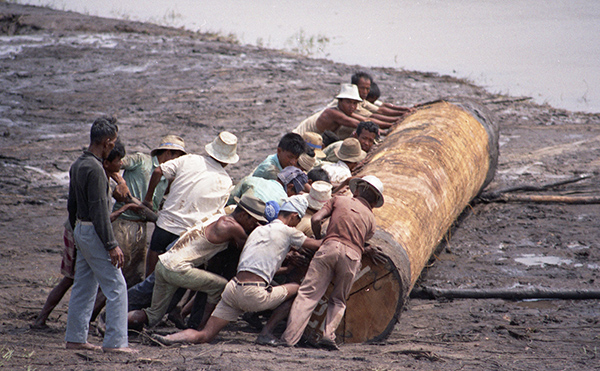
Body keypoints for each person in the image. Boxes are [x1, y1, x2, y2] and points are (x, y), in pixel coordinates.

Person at [150, 195, 322, 346]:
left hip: (233, 290)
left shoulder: (258, 231)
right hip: (253, 294)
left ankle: (170, 338)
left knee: (205, 335)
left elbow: (259, 269)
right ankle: (266, 333)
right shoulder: (289, 231)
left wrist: (286, 267)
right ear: (294, 216)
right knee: (298, 289)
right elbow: (318, 245)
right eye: (298, 220)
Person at [127, 194, 267, 330]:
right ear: (243, 215)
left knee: (154, 314)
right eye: (253, 221)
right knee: (220, 286)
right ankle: (201, 327)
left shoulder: (220, 216)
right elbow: (249, 246)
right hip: (177, 269)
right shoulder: (232, 227)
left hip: (165, 263)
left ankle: (115, 320)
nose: (253, 225)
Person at [281, 175, 386, 350]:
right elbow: (361, 241)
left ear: (357, 190)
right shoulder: (371, 220)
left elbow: (315, 219)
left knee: (308, 295)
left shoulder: (338, 200)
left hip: (328, 248)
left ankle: (289, 338)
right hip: (352, 256)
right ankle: (329, 335)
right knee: (338, 300)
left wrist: (319, 238)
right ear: (374, 202)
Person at [65, 117, 135, 353]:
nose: (114, 146)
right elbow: (99, 212)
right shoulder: (95, 169)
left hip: (81, 229)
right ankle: (116, 343)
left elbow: (71, 204)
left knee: (84, 285)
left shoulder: (78, 164)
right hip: (95, 232)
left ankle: (75, 338)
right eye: (113, 142)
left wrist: (75, 232)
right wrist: (111, 244)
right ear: (106, 143)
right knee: (116, 287)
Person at [143, 131, 239, 277]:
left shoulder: (190, 159)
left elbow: (158, 171)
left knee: (150, 272)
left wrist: (148, 199)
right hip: (185, 236)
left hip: (165, 225)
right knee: (169, 278)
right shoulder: (226, 182)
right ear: (228, 161)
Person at [112, 135, 186, 287]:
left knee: (135, 276)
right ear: (168, 153)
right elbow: (112, 164)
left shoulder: (167, 178)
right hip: (123, 223)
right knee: (117, 274)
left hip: (141, 228)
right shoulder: (140, 160)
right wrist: (121, 182)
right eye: (178, 157)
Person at [293, 84, 391, 139]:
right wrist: (385, 133)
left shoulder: (346, 111)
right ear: (340, 101)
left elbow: (367, 119)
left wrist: (390, 126)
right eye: (348, 102)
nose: (352, 106)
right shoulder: (333, 113)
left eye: (354, 103)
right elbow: (358, 124)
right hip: (299, 138)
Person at [227, 166, 308, 206]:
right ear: (290, 187)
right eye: (295, 193)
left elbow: (229, 200)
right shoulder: (284, 203)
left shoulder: (249, 180)